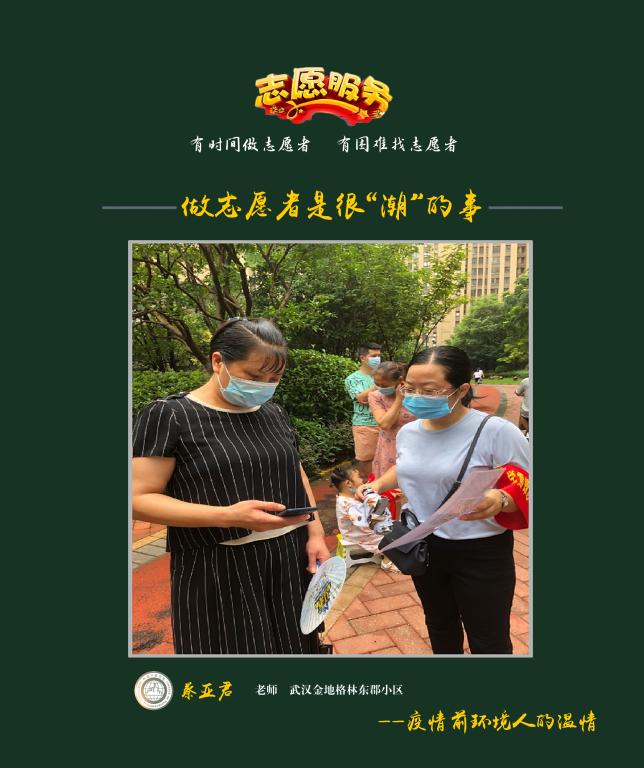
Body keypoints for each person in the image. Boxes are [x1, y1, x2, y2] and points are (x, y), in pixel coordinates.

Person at [132, 317, 330, 655]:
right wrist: (229, 516)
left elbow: (294, 471)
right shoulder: (170, 415)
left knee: (294, 645)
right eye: (254, 375)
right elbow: (138, 499)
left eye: (274, 379)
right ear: (217, 361)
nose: (264, 386)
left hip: (288, 557)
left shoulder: (273, 413)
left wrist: (314, 532)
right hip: (220, 565)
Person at [356, 346, 529, 655]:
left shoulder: (496, 431)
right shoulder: (409, 432)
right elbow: (406, 467)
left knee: (488, 638)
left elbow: (526, 482)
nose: (416, 396)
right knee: (439, 625)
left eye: (430, 390)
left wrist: (501, 498)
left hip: (480, 551)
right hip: (424, 545)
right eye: (410, 388)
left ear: (461, 390)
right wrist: (377, 484)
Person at [330, 466, 398, 572]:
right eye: (359, 477)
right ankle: (387, 560)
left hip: (355, 531)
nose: (363, 480)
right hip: (358, 535)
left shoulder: (345, 498)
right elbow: (368, 522)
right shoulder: (348, 504)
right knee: (390, 533)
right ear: (348, 483)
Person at [367, 361, 415, 479]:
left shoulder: (415, 394)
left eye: (383, 385)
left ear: (400, 380)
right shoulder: (375, 396)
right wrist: (399, 400)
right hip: (390, 446)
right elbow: (384, 424)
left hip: (415, 444)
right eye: (377, 384)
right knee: (389, 481)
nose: (380, 388)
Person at [344, 343, 382, 479]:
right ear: (363, 358)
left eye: (379, 356)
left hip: (386, 423)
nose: (377, 359)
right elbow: (361, 398)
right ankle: (370, 489)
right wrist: (378, 384)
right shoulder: (352, 379)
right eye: (373, 356)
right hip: (366, 425)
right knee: (367, 461)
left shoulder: (383, 375)